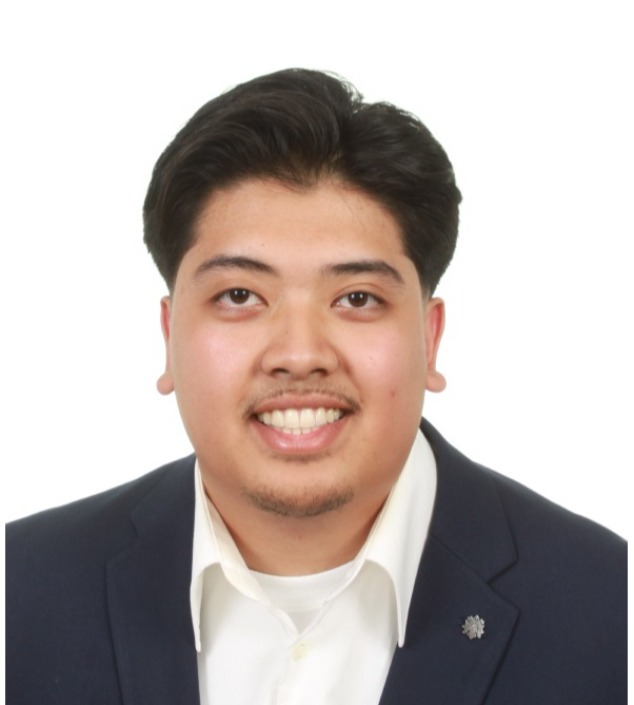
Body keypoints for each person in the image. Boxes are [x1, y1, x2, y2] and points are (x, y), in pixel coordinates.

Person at [6, 68, 626, 705]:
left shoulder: (608, 604)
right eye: (239, 295)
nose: (299, 355)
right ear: (169, 336)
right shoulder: (22, 589)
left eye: (357, 298)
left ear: (429, 337)